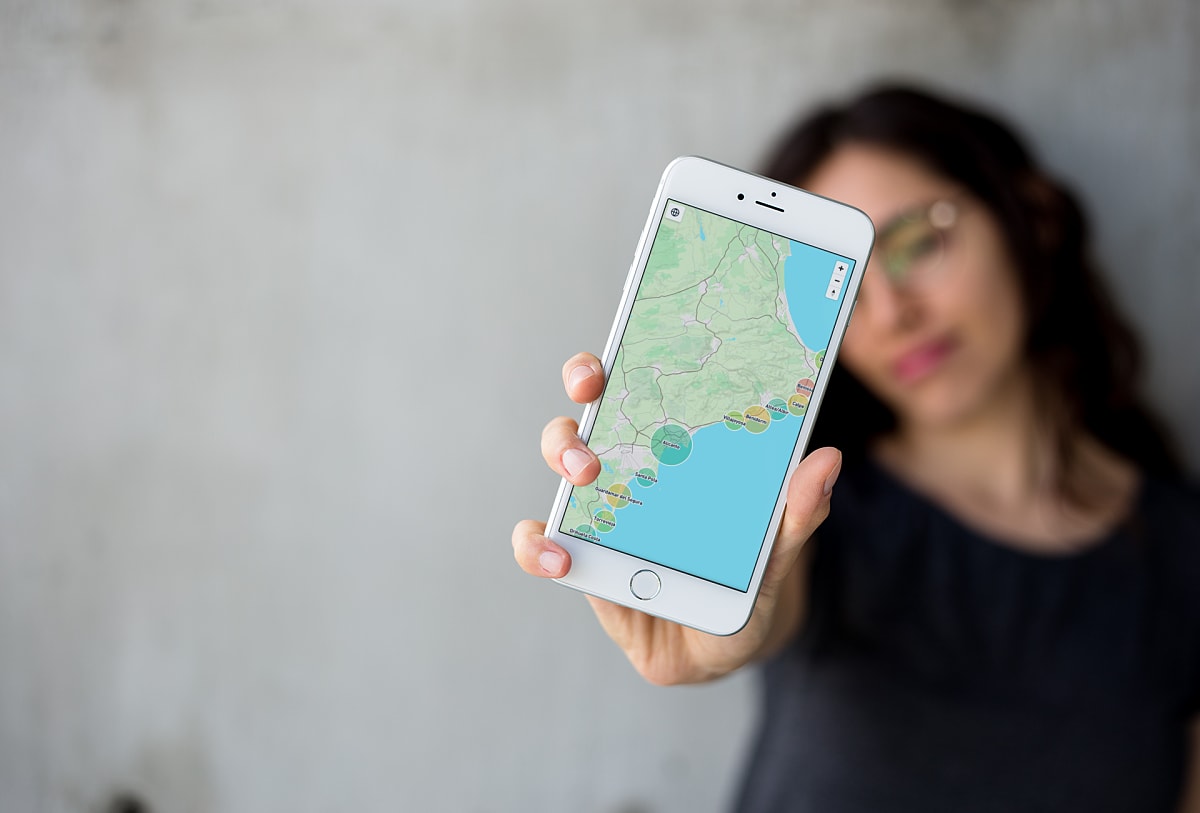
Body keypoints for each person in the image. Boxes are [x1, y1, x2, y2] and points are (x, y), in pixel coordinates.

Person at [512, 85, 1200, 812]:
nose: (894, 314)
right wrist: (716, 633)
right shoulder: (811, 507)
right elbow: (773, 607)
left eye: (917, 244)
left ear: (1034, 216)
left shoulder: (1184, 553)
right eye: (842, 291)